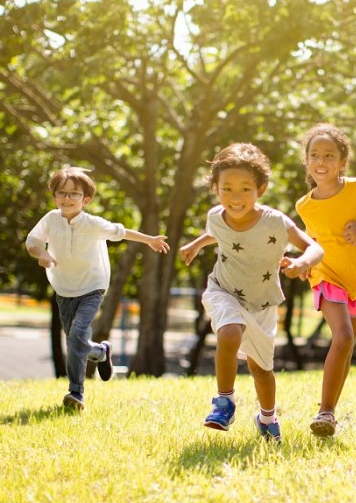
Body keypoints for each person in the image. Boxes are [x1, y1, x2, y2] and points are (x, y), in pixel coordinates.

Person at [180, 143, 324, 443]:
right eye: (227, 189)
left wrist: (301, 262)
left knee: (261, 370)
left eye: (245, 189)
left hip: (262, 302)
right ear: (215, 188)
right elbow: (218, 233)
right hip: (223, 290)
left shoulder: (275, 221)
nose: (235, 198)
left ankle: (267, 418)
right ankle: (224, 402)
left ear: (261, 188)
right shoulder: (215, 217)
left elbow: (314, 247)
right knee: (230, 332)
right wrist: (196, 244)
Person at [25, 166, 169, 411]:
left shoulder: (92, 224)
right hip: (63, 288)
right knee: (75, 339)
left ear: (86, 199)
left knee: (76, 335)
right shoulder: (51, 219)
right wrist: (42, 254)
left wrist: (150, 240)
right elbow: (32, 242)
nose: (67, 198)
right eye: (62, 193)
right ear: (54, 197)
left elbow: (121, 232)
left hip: (92, 287)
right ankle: (100, 352)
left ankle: (75, 393)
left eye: (74, 194)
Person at [295, 123, 356, 437]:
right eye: (315, 155)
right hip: (325, 275)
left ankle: (330, 415)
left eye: (329, 155)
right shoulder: (304, 206)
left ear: (342, 162)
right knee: (343, 338)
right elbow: (309, 240)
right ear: (307, 161)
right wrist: (301, 263)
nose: (321, 161)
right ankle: (324, 410)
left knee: (346, 345)